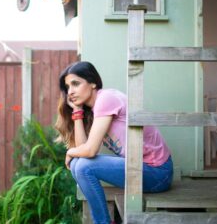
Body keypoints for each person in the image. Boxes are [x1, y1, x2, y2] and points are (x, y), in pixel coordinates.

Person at [55, 61, 173, 224]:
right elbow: (82, 148)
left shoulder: (107, 99)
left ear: (93, 83)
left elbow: (89, 151)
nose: (70, 92)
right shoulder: (94, 108)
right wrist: (77, 112)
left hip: (157, 173)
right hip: (140, 169)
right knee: (77, 163)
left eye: (76, 84)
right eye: (68, 87)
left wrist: (69, 152)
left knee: (82, 165)